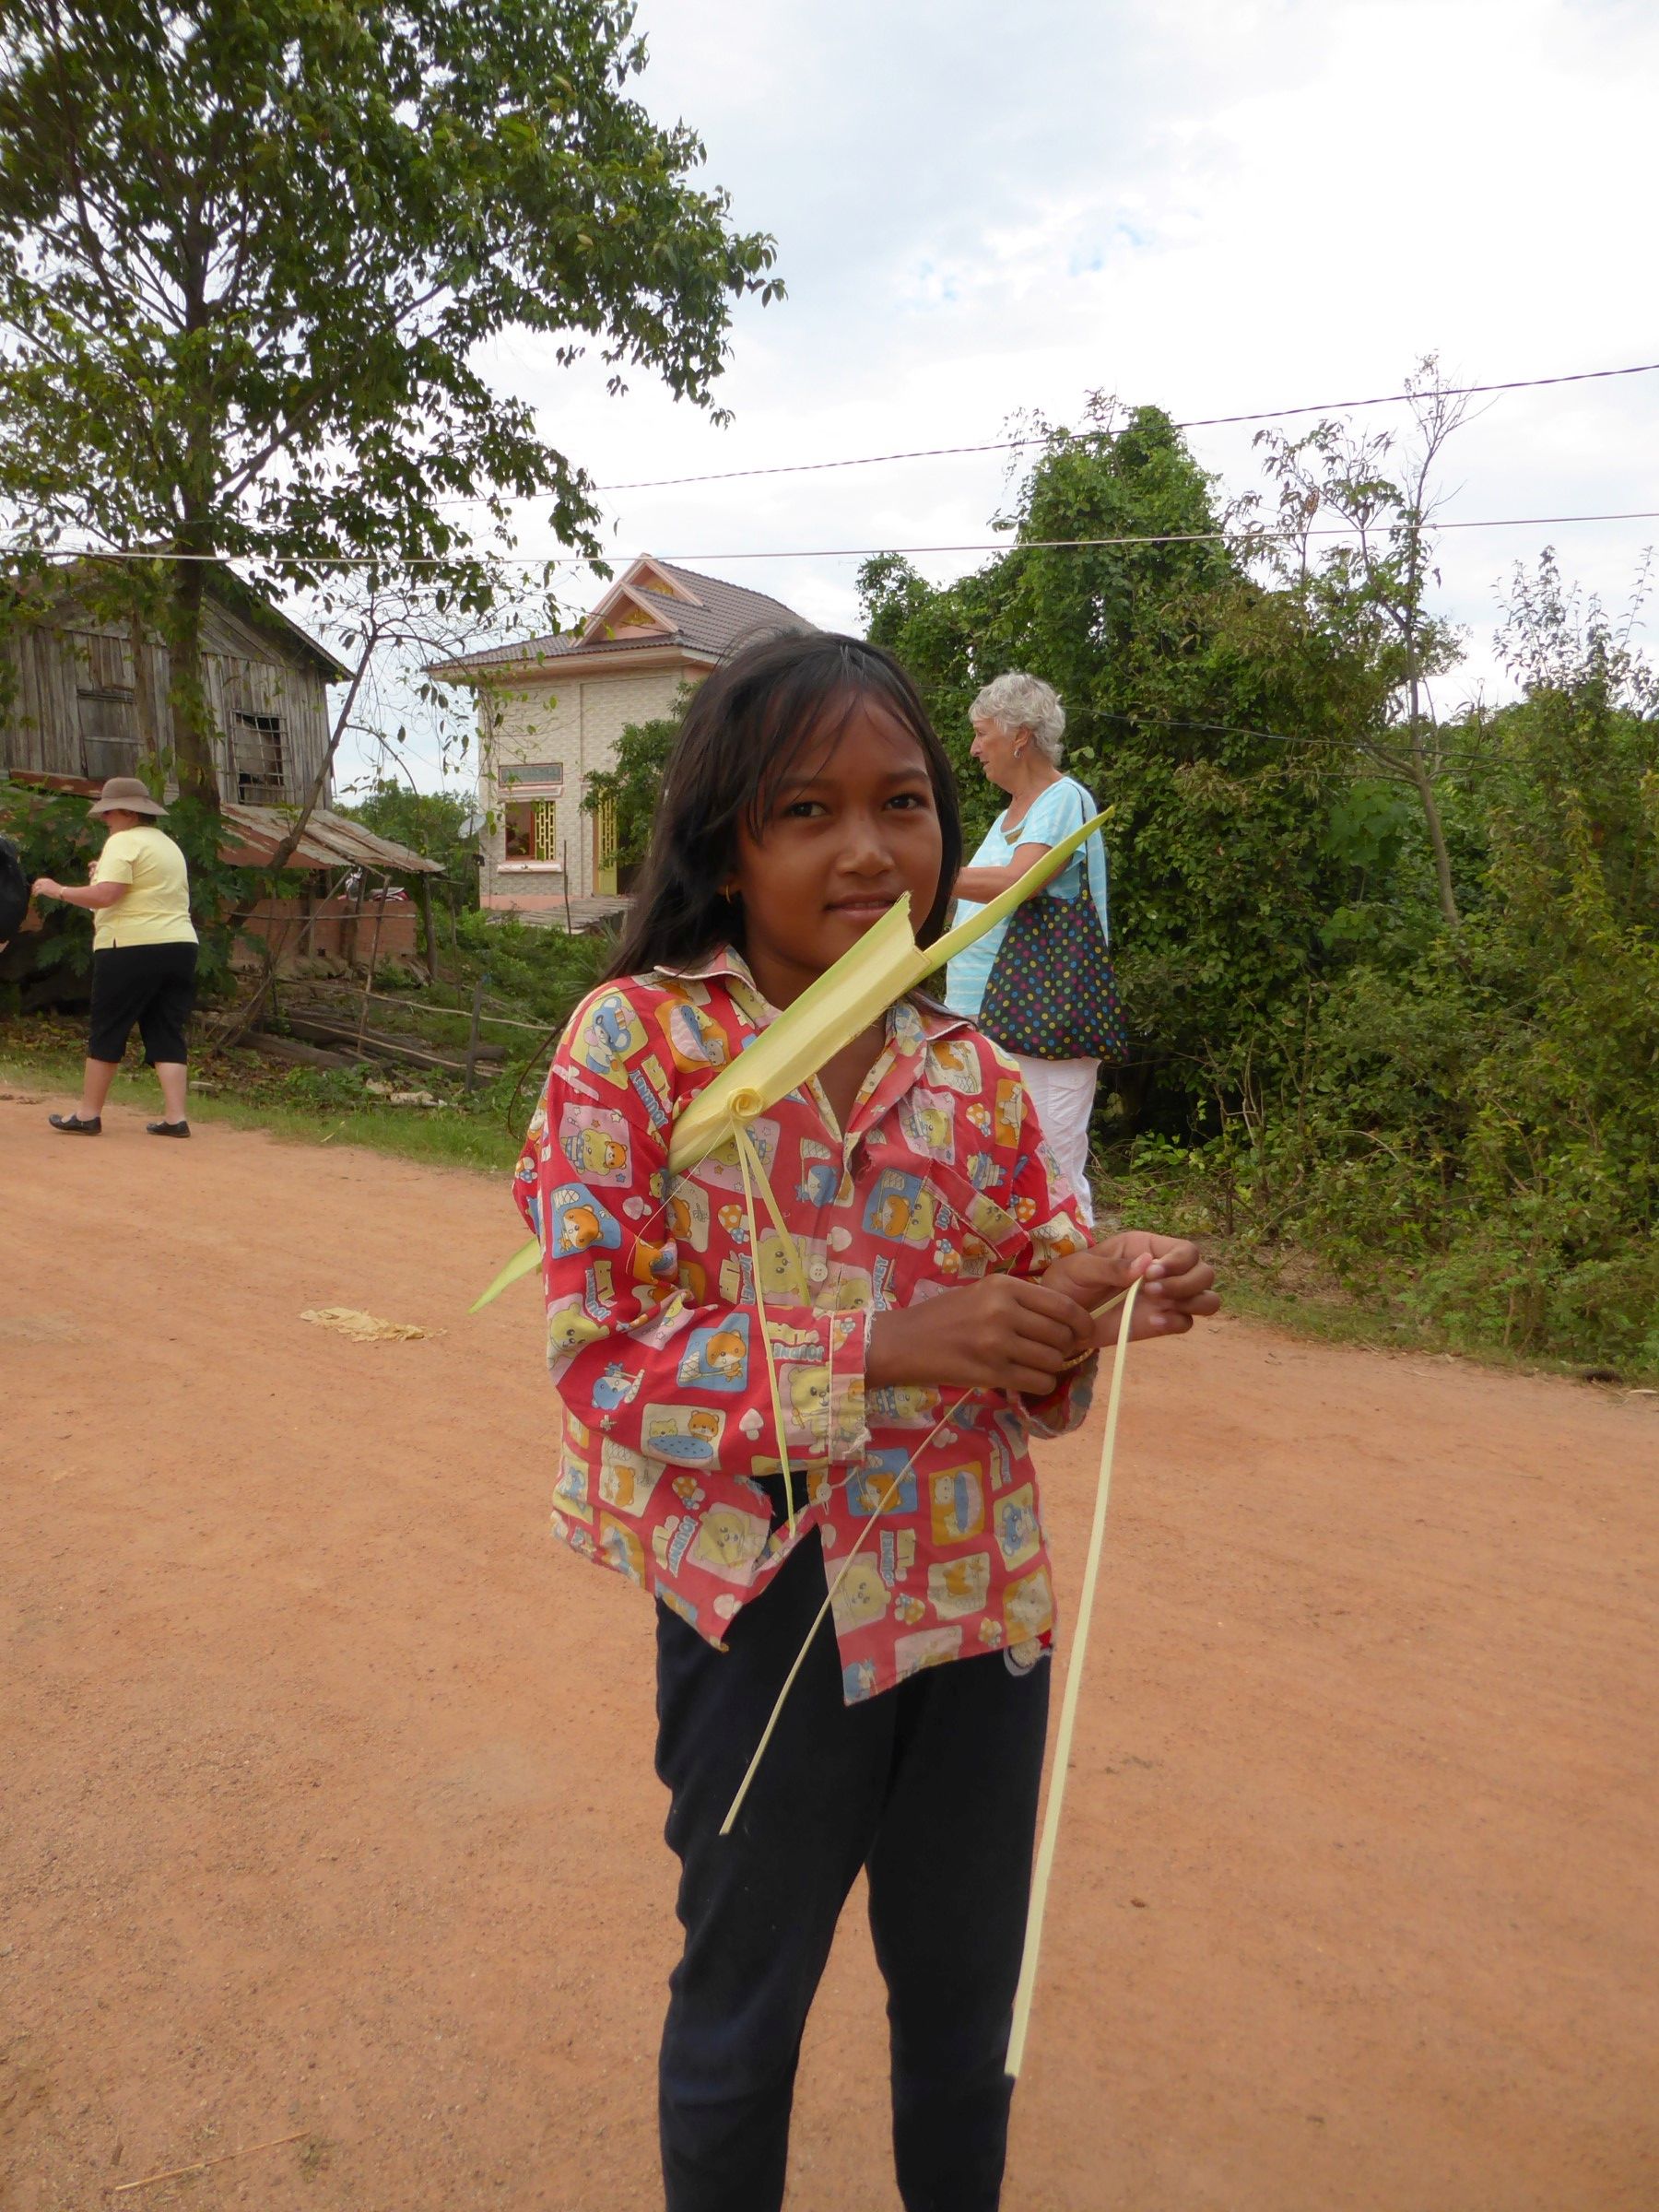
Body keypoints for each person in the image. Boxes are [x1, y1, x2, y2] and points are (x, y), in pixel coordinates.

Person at [512, 630, 1218, 2212]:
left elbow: (1030, 1283)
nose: (866, 848)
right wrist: (892, 1346)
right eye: (805, 810)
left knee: (967, 2020)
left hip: (975, 1595)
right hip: (763, 1604)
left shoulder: (969, 1070)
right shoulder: (632, 1047)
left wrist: (1104, 1286)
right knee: (742, 2016)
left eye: (902, 803)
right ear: (727, 843)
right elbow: (602, 1353)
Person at [945, 672, 1113, 1224]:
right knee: (1002, 1169)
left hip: (1041, 1014)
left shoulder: (1063, 798)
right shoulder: (1008, 814)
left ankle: (1078, 1273)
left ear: (1019, 735)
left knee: (1053, 1170)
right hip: (992, 1013)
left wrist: (930, 876)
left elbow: (1021, 882)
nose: (975, 748)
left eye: (982, 733)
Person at [31, 774, 199, 1137]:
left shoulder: (122, 842)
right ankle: (176, 1118)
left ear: (129, 812)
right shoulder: (167, 845)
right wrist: (99, 877)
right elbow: (135, 888)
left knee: (108, 1026)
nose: (104, 818)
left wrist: (58, 890)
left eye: (109, 812)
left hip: (130, 945)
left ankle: (87, 1114)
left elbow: (107, 896)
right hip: (180, 944)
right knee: (165, 1027)